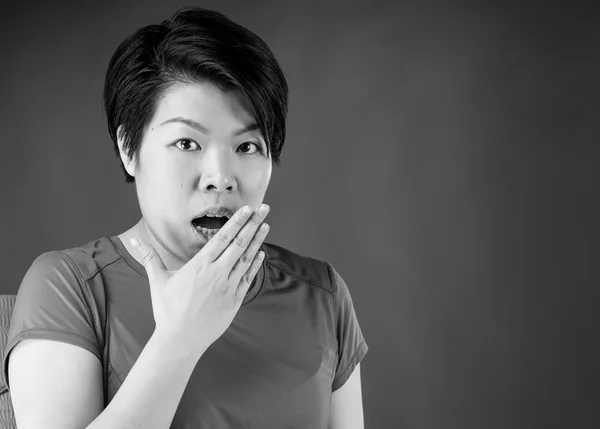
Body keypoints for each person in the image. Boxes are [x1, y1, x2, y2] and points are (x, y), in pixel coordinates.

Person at [2, 7, 368, 429]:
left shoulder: (321, 296)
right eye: (186, 143)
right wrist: (179, 340)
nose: (220, 178)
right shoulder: (69, 288)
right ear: (129, 148)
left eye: (247, 146)